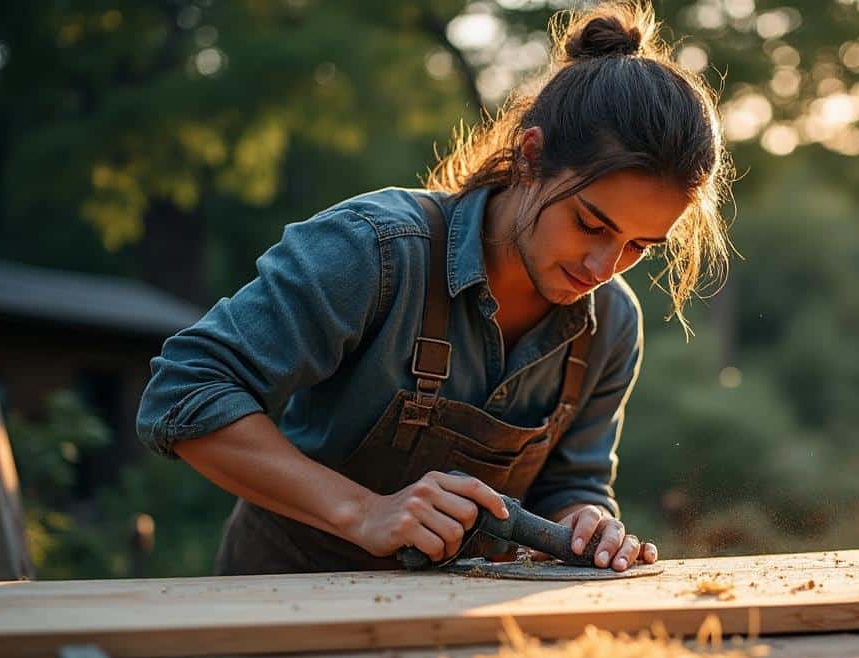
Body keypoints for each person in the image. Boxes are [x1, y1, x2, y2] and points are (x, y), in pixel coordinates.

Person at [135, 1, 734, 575]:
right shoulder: (375, 251)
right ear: (530, 157)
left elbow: (571, 486)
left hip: (453, 643)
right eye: (590, 224)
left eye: (639, 246)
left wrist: (586, 523)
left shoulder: (611, 326)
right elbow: (185, 390)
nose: (606, 266)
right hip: (271, 611)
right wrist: (364, 512)